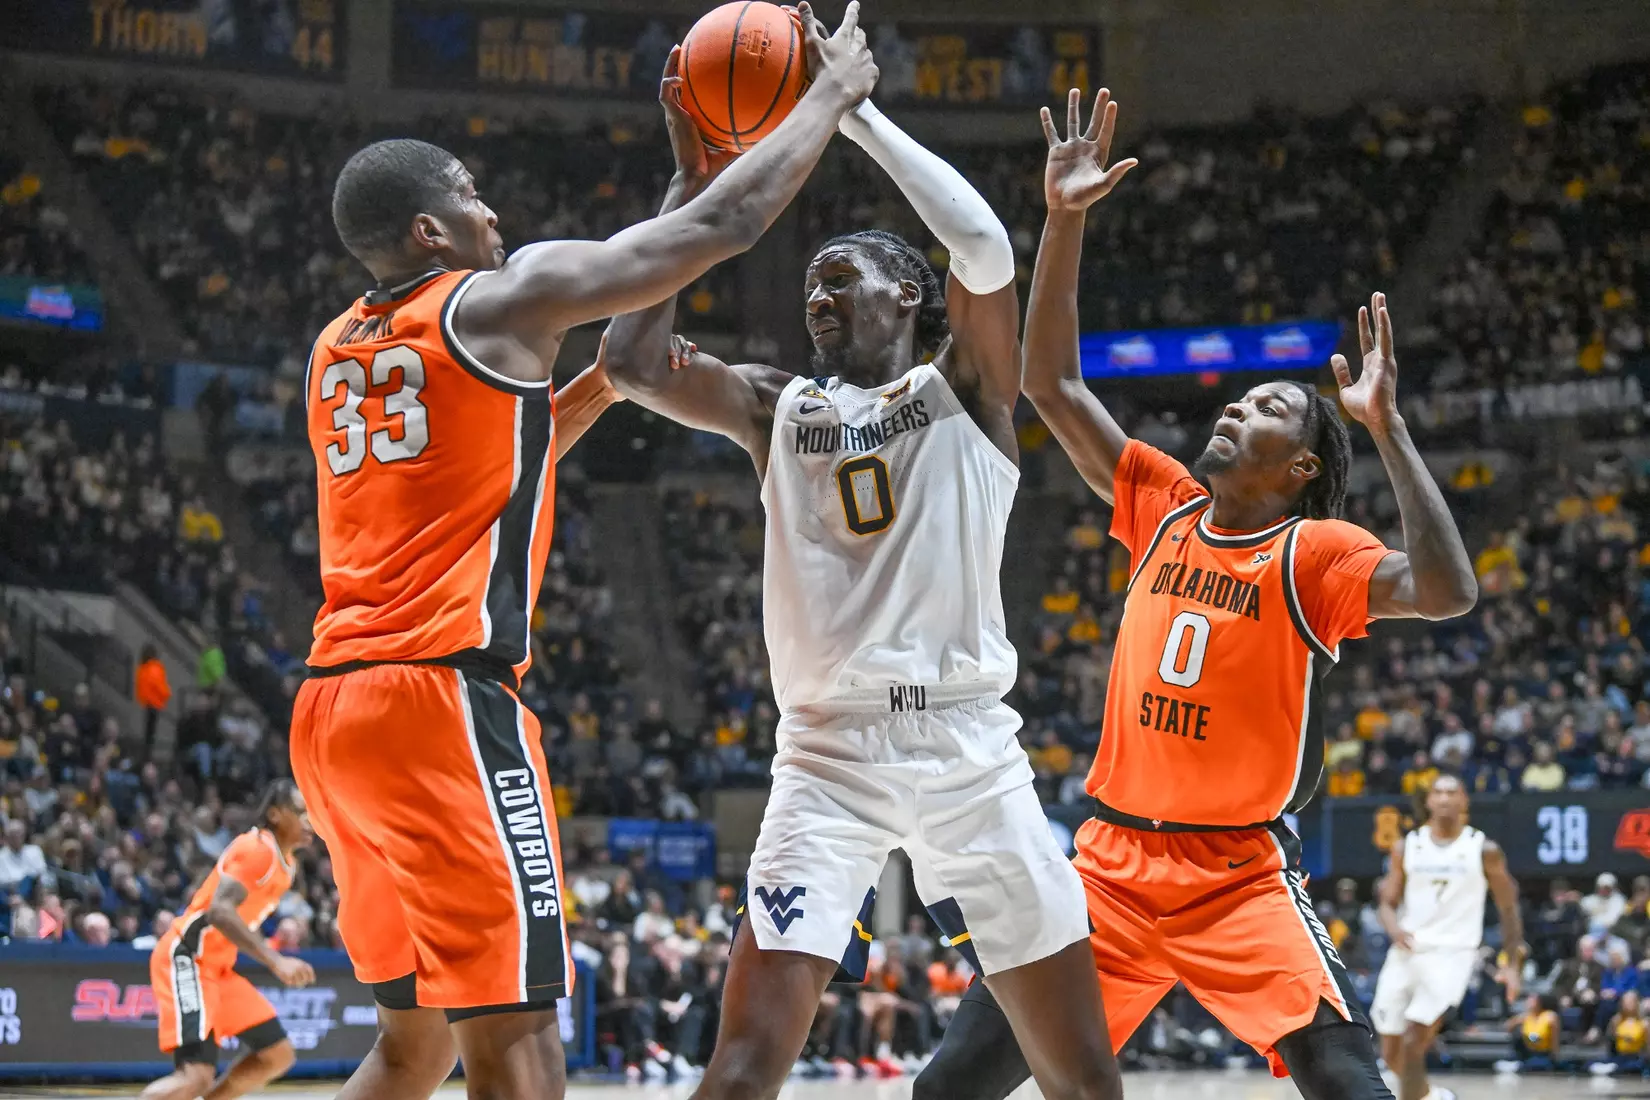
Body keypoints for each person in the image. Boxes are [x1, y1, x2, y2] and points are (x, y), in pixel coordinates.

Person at [285, 10, 878, 1100]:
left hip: (329, 714)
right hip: (439, 702)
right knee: (519, 1039)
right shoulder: (498, 296)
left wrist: (665, 205)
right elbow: (728, 229)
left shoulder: (336, 348)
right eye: (469, 194)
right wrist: (828, 98)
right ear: (429, 231)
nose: (491, 208)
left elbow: (496, 449)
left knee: (412, 1042)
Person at [918, 89, 1478, 1100]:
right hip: (1106, 870)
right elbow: (1049, 383)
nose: (1235, 406)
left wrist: (1389, 430)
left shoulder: (1315, 554)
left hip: (1238, 878)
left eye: (1266, 406)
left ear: (1303, 466)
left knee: (1352, 1079)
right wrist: (1066, 217)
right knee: (948, 1084)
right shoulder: (1165, 505)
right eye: (1239, 395)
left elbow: (1444, 589)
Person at [603, 65, 1121, 1100]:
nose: (820, 294)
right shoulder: (773, 404)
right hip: (827, 757)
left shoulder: (968, 393)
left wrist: (857, 112)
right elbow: (630, 360)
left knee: (1082, 1078)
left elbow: (983, 246)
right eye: (811, 286)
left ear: (910, 296)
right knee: (742, 1070)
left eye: (843, 277)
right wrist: (688, 187)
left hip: (972, 752)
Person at [138, 780, 316, 1100]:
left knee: (277, 1055)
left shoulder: (288, 865)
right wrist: (275, 960)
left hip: (218, 969)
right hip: (188, 957)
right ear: (275, 814)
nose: (310, 819)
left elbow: (242, 918)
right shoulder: (257, 850)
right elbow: (219, 912)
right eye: (301, 811)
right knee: (195, 1078)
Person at [1372, 773, 1526, 1100]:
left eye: (1451, 792)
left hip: (1452, 954)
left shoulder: (1484, 849)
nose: (1444, 798)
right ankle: (1431, 1097)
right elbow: (1386, 903)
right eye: (1438, 792)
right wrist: (1394, 928)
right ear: (1428, 801)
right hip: (1407, 950)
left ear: (1463, 800)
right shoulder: (1406, 846)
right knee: (1391, 1052)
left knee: (1415, 1042)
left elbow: (1508, 908)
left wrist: (1513, 963)